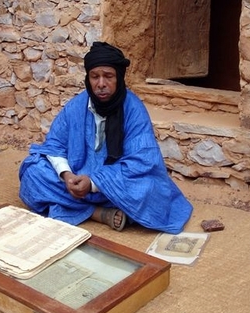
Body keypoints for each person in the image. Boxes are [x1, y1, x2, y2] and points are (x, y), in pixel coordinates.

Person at [18, 41, 193, 234]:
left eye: (108, 76)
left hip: (115, 185)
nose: (101, 84)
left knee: (149, 189)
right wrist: (68, 177)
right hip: (76, 180)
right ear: (88, 79)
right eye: (95, 77)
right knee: (32, 173)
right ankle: (96, 212)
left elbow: (141, 162)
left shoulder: (133, 109)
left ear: (119, 78)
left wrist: (94, 183)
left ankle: (77, 207)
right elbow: (54, 145)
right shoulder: (76, 106)